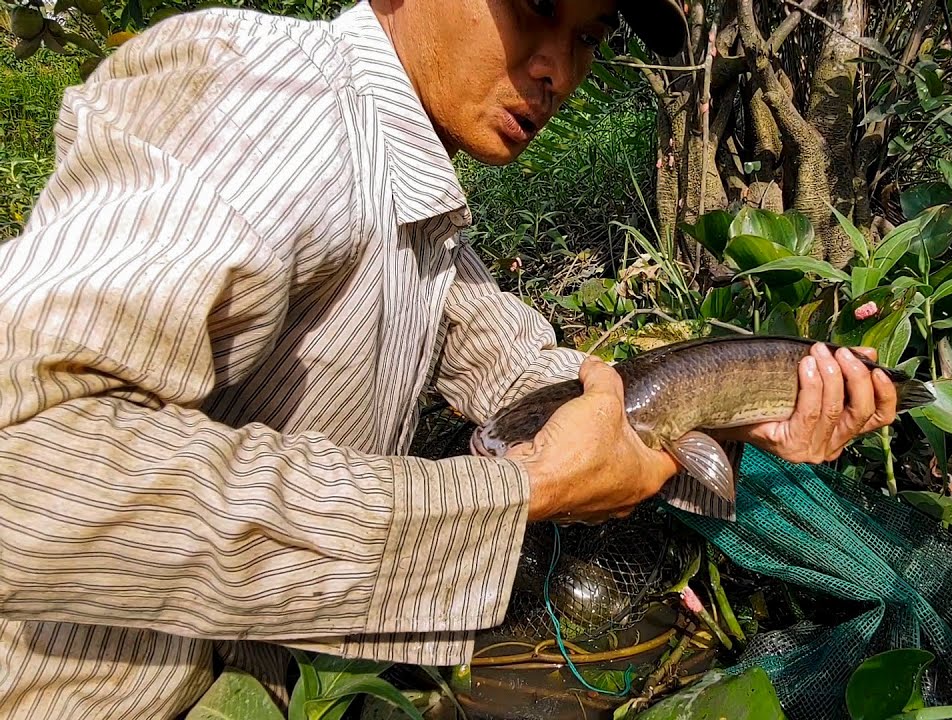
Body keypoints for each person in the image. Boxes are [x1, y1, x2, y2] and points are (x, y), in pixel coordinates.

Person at [0, 0, 901, 716]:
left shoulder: (407, 188)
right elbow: (26, 475)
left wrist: (742, 407)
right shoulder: (266, 100)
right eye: (532, 9)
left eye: (586, 36)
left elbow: (525, 373)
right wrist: (519, 493)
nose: (557, 70)